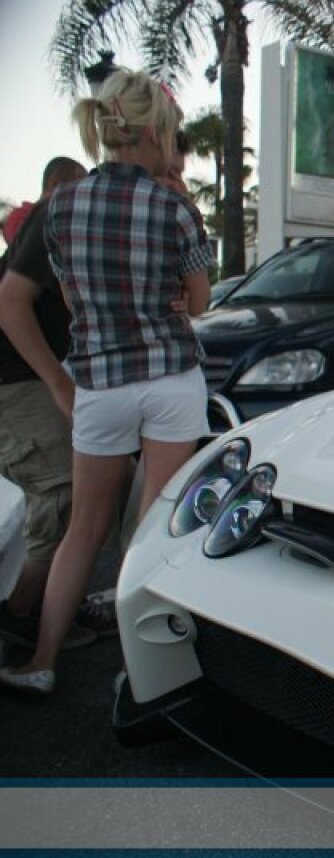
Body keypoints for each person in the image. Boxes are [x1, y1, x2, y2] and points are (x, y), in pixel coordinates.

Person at [0, 69, 213, 696]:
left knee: (82, 529)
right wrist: (171, 297)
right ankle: (142, 672)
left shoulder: (59, 206)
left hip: (97, 382)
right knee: (149, 531)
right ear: (151, 132)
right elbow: (199, 300)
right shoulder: (173, 204)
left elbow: (68, 298)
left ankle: (40, 660)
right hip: (170, 378)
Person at [0, 157, 103, 651]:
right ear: (62, 187)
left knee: (79, 491)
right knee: (61, 493)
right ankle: (20, 614)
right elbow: (9, 303)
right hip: (15, 386)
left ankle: (47, 602)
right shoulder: (54, 216)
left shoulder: (45, 221)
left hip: (25, 383)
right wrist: (58, 386)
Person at [2, 160, 86, 246]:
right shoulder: (19, 217)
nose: (85, 189)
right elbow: (22, 249)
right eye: (79, 182)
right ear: (56, 183)